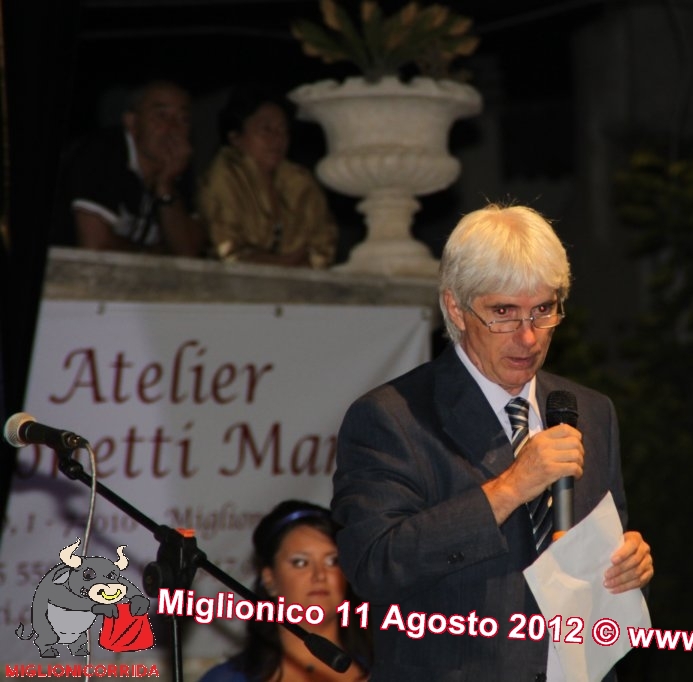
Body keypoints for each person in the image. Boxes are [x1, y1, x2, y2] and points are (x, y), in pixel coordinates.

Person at [332, 203, 654, 681]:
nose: (527, 337)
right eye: (504, 312)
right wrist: (509, 487)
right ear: (457, 309)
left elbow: (598, 555)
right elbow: (375, 567)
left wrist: (631, 567)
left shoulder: (592, 412)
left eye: (543, 310)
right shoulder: (392, 417)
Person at [199, 500, 371, 682]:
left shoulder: (388, 670)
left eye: (332, 561)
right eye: (300, 562)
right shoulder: (226, 679)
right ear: (270, 578)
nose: (319, 575)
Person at [59, 79, 206, 255]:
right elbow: (95, 248)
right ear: (132, 122)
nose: (173, 128)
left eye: (184, 119)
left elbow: (188, 253)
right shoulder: (102, 152)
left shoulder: (178, 165)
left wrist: (166, 186)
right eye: (161, 116)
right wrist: (157, 253)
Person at [198, 86, 338, 268]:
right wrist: (285, 263)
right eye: (266, 129)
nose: (277, 138)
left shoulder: (300, 181)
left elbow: (324, 245)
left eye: (283, 130)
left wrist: (303, 264)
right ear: (235, 138)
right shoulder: (224, 174)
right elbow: (226, 248)